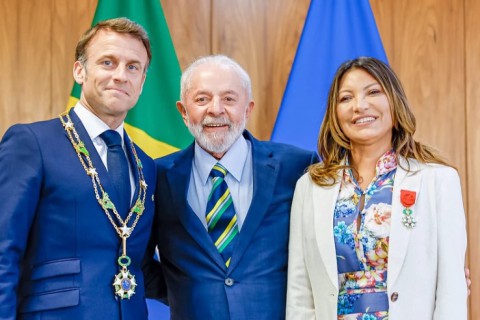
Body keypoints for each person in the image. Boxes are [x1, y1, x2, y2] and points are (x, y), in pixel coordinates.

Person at [286, 57, 468, 319]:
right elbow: (299, 291)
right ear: (335, 115)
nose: (359, 106)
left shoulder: (438, 180)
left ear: (395, 103)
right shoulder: (311, 187)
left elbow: (452, 287)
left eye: (373, 92)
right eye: (346, 98)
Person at [0, 18, 156, 319]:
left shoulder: (146, 165)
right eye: (108, 62)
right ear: (80, 71)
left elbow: (141, 262)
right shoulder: (31, 143)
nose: (121, 76)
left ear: (142, 82)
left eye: (133, 67)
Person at [143, 55, 318, 319]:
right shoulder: (155, 175)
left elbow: (320, 255)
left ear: (247, 109)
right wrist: (187, 292)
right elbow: (139, 261)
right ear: (183, 111)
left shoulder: (298, 167)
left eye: (229, 99)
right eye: (202, 99)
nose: (215, 109)